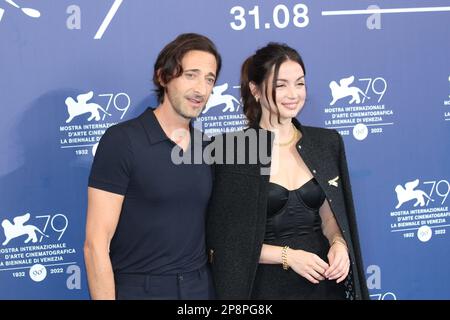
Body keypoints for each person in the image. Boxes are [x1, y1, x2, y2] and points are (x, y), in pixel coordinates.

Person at [206, 43, 369, 299]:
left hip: (323, 282)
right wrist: (288, 256)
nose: (293, 94)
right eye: (280, 85)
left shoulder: (326, 143)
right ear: (255, 89)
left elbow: (329, 216)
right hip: (264, 287)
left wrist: (338, 243)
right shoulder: (231, 150)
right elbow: (228, 243)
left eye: (300, 83)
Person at [84, 33, 221, 300]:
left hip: (200, 289)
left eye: (209, 79)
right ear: (163, 77)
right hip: (140, 289)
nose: (201, 89)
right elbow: (95, 244)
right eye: (191, 75)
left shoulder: (208, 147)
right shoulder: (123, 141)